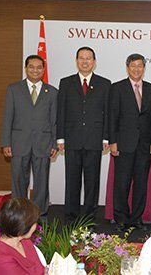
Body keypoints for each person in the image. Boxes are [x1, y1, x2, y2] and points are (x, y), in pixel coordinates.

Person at [57, 46, 111, 223]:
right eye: (81, 58)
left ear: (94, 62)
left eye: (88, 58)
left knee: (92, 182)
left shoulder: (104, 84)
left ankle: (88, 217)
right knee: (72, 181)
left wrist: (105, 137)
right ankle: (71, 216)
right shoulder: (66, 83)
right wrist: (60, 138)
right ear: (76, 61)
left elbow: (107, 113)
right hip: (71, 139)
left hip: (94, 140)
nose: (85, 61)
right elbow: (61, 112)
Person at [0, 55, 58, 220]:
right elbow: (7, 117)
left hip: (43, 143)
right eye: (31, 67)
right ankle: (18, 213)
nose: (35, 70)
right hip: (19, 143)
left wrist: (54, 143)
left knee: (41, 182)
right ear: (26, 68)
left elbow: (54, 121)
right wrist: (5, 142)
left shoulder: (52, 92)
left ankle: (40, 214)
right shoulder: (14, 89)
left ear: (43, 69)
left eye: (39, 67)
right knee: (18, 180)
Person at [109, 54, 151, 231]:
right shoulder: (117, 88)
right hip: (123, 144)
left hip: (145, 145)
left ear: (144, 68)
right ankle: (121, 218)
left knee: (141, 183)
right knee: (121, 183)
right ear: (127, 67)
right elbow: (112, 116)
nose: (137, 69)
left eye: (140, 66)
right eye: (133, 66)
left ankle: (137, 218)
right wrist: (113, 142)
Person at [0, 198, 45, 275]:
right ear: (22, 227)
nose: (36, 226)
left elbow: (39, 269)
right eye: (34, 222)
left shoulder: (24, 241)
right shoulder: (3, 260)